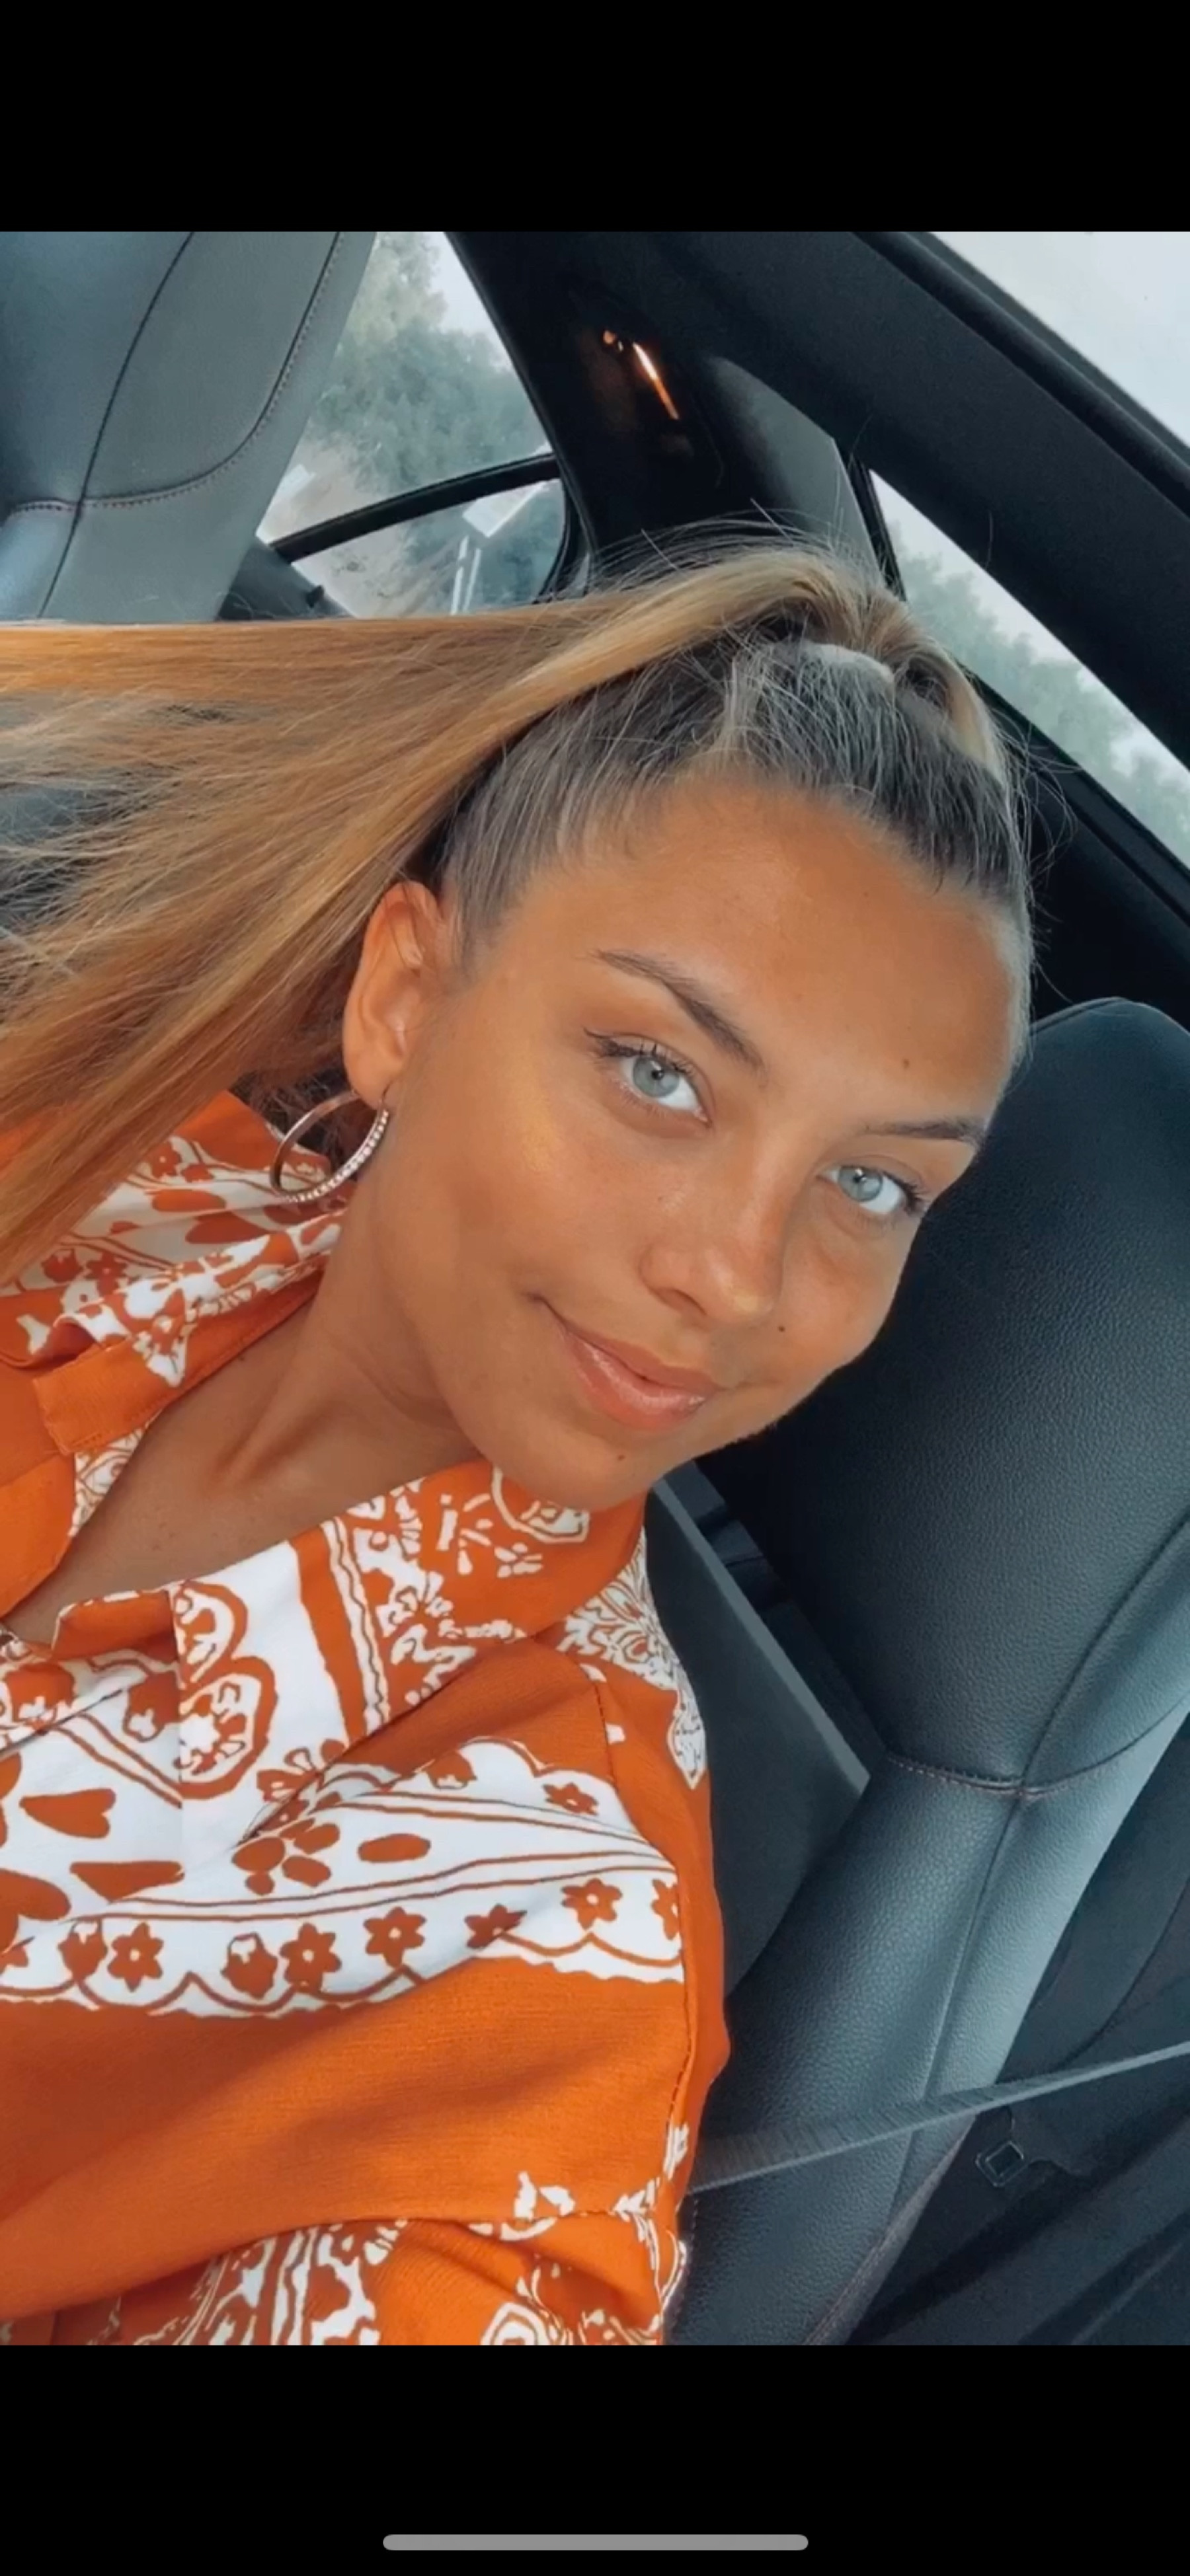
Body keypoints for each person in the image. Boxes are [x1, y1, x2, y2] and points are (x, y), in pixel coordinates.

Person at [0, 543, 1029, 2345]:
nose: (734, 1278)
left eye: (874, 1185)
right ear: (406, 999)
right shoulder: (119, 1162)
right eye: (659, 1071)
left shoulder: (556, 1938)